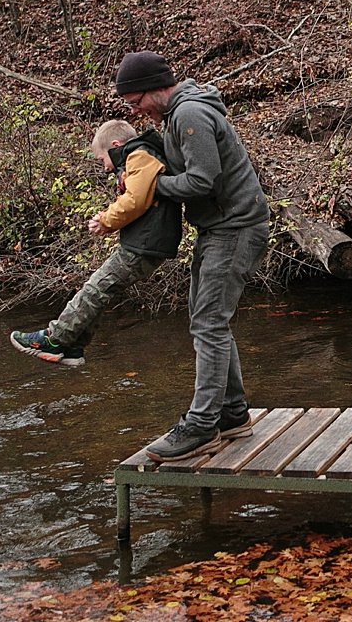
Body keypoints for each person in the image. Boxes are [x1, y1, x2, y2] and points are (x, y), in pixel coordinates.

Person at [113, 50, 272, 463]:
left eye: (136, 102)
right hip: (221, 227)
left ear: (156, 88)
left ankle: (202, 427)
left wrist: (150, 188)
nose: (137, 111)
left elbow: (202, 180)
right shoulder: (176, 116)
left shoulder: (189, 116)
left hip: (235, 228)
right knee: (206, 319)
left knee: (209, 323)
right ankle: (233, 414)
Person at [9, 119, 182, 367]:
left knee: (94, 289)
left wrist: (106, 220)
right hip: (146, 242)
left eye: (102, 159)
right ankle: (74, 347)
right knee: (102, 291)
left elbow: (135, 200)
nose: (104, 168)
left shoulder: (140, 156)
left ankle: (55, 339)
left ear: (115, 145)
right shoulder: (140, 157)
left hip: (144, 244)